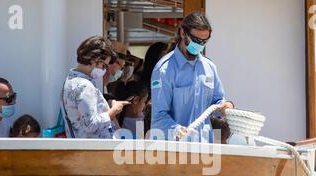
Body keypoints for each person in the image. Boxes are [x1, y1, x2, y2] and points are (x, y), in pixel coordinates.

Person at [150, 12, 234, 142]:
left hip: (206, 150)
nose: (200, 45)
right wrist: (177, 130)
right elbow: (159, 117)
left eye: (204, 41)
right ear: (183, 33)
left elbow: (218, 103)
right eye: (196, 40)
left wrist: (226, 106)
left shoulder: (209, 68)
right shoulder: (164, 70)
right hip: (175, 150)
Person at [62, 36, 130, 139]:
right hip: (95, 149)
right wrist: (114, 110)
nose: (104, 70)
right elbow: (91, 125)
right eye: (104, 66)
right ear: (95, 60)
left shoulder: (71, 80)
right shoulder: (85, 86)